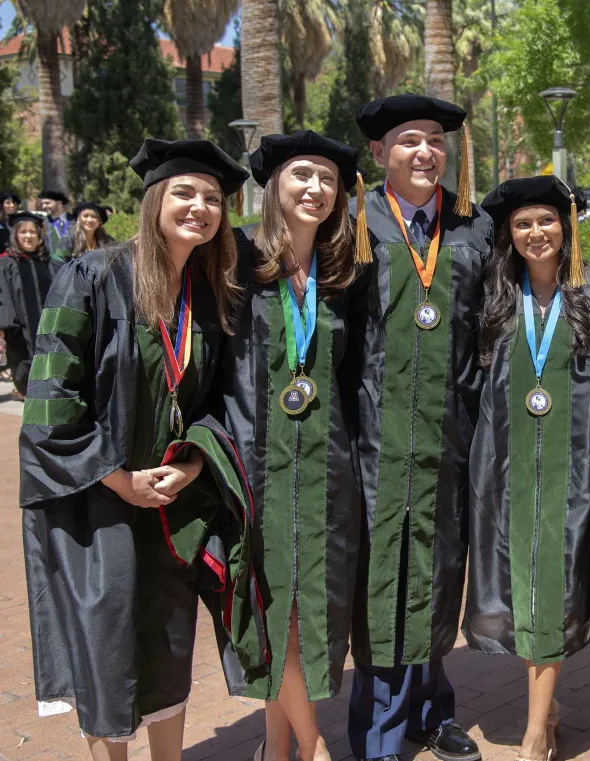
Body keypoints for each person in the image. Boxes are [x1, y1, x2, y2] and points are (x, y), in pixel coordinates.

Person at [18, 138, 252, 760]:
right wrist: (120, 479)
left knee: (170, 641)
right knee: (107, 644)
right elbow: (51, 401)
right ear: (154, 201)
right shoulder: (93, 276)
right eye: (184, 193)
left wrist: (194, 463)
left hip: (172, 502)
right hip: (97, 501)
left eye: (211, 199)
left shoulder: (208, 294)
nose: (199, 207)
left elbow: (219, 401)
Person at [207, 130, 368, 761]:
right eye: (302, 175)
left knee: (301, 616)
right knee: (279, 616)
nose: (317, 189)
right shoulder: (236, 260)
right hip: (260, 467)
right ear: (273, 185)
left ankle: (276, 750)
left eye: (328, 179)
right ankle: (316, 746)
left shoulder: (341, 274)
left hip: (325, 469)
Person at [348, 94, 490, 761]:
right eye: (408, 140)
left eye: (435, 139)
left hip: (449, 435)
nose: (425, 151)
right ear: (379, 154)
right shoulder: (352, 223)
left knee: (438, 571)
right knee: (386, 580)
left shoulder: (472, 223)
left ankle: (433, 710)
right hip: (375, 437)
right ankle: (377, 731)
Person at [466, 176, 590, 761]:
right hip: (507, 469)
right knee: (523, 587)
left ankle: (533, 735)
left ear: (567, 227)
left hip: (572, 470)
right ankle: (545, 710)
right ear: (509, 234)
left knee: (549, 591)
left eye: (546, 221)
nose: (535, 233)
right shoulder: (499, 298)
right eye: (523, 224)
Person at [0, 211, 63, 399]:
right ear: (15, 234)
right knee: (25, 376)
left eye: (33, 232)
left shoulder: (51, 263)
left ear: (40, 236)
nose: (28, 236)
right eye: (23, 232)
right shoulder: (5, 263)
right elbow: (1, 297)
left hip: (52, 333)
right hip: (21, 336)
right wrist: (1, 328)